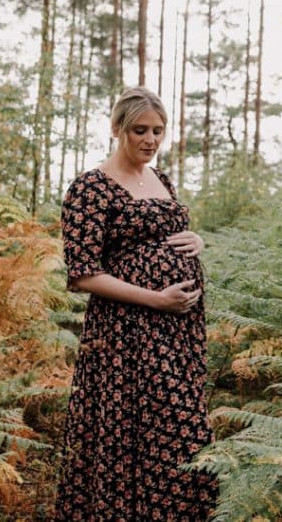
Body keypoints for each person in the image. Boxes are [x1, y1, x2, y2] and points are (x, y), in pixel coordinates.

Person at [53, 86, 216, 521]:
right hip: (126, 331)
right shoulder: (90, 187)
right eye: (140, 130)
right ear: (116, 129)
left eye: (158, 131)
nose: (150, 140)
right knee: (132, 429)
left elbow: (167, 236)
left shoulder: (161, 180)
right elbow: (82, 274)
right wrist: (156, 299)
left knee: (179, 425)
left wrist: (197, 239)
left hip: (178, 329)